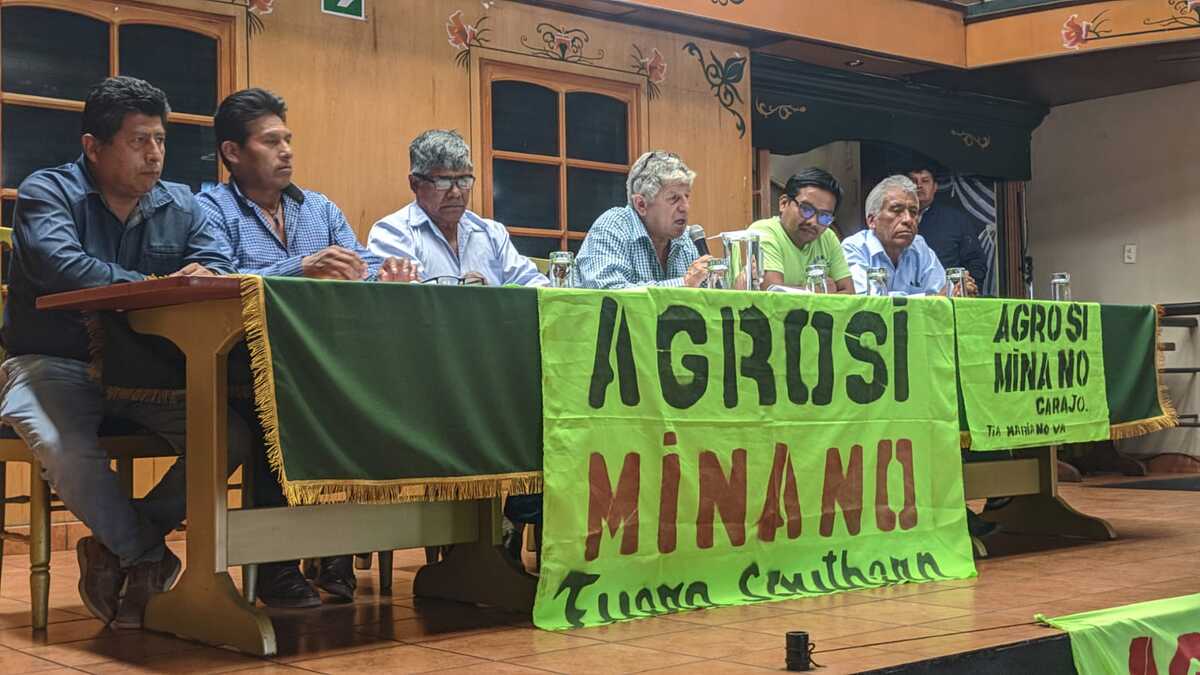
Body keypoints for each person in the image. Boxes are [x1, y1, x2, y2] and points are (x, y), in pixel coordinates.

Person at [0, 76, 255, 629]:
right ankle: (146, 555)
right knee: (63, 447)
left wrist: (205, 272)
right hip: (53, 361)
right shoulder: (48, 191)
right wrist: (158, 284)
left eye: (160, 140)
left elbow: (215, 264)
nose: (155, 154)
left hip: (145, 367)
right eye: (139, 141)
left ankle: (114, 547)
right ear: (93, 146)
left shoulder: (181, 202)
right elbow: (61, 267)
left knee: (231, 437)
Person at [198, 88, 411, 607]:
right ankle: (277, 565)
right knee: (281, 408)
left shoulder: (318, 207)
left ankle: (335, 547)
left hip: (325, 361)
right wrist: (300, 266)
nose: (287, 151)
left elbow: (359, 262)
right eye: (271, 141)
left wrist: (386, 273)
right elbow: (215, 280)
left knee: (383, 402)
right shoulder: (210, 208)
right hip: (245, 366)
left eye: (288, 139)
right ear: (232, 152)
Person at [368, 130, 547, 287]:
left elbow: (536, 286)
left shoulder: (491, 233)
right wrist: (472, 296)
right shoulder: (392, 233)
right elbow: (413, 301)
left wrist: (491, 294)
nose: (456, 193)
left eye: (464, 180)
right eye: (443, 182)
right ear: (415, 183)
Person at [841, 175, 977, 297]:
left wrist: (957, 290)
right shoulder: (854, 248)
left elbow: (942, 292)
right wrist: (933, 299)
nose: (908, 219)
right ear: (872, 220)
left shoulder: (919, 246)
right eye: (896, 210)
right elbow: (865, 300)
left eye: (913, 212)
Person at [749, 168, 853, 292]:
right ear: (784, 203)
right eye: (806, 209)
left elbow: (849, 292)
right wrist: (819, 290)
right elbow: (773, 294)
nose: (813, 222)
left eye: (824, 216)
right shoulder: (762, 232)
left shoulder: (828, 237)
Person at [907, 165, 988, 287]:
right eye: (913, 181)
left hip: (948, 293)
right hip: (903, 293)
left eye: (925, 181)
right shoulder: (893, 220)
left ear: (935, 187)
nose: (919, 185)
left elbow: (976, 263)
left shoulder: (956, 220)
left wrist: (964, 288)